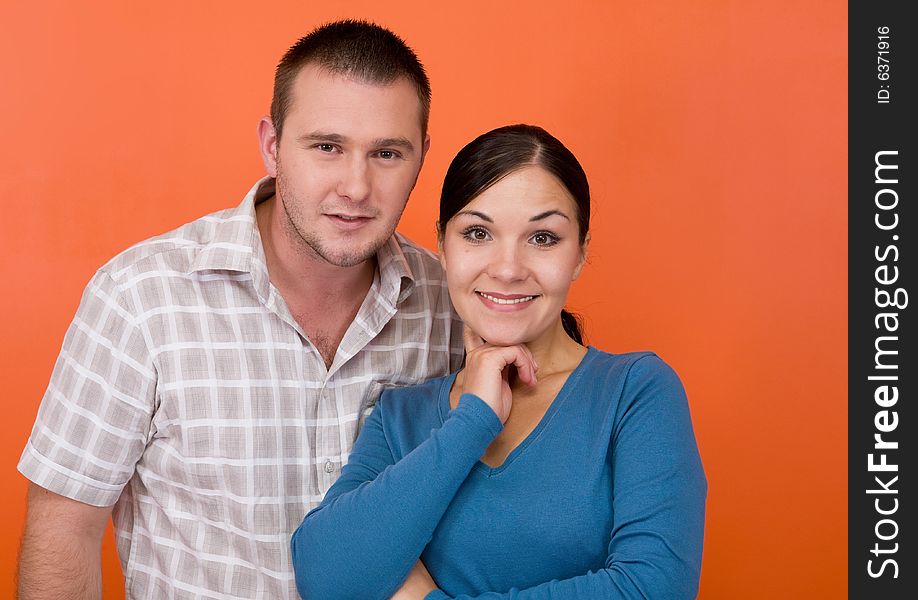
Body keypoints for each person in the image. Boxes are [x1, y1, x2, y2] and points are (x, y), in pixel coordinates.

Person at [17, 20, 463, 599]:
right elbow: (63, 530)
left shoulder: (452, 304)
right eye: (327, 147)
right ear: (272, 145)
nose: (356, 186)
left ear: (423, 156)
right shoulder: (141, 296)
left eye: (387, 153)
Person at [291, 124, 708, 599]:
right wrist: (472, 420)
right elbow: (326, 580)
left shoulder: (634, 392)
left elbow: (654, 589)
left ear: (580, 253)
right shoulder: (399, 417)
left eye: (543, 238)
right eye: (477, 232)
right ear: (443, 247)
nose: (508, 269)